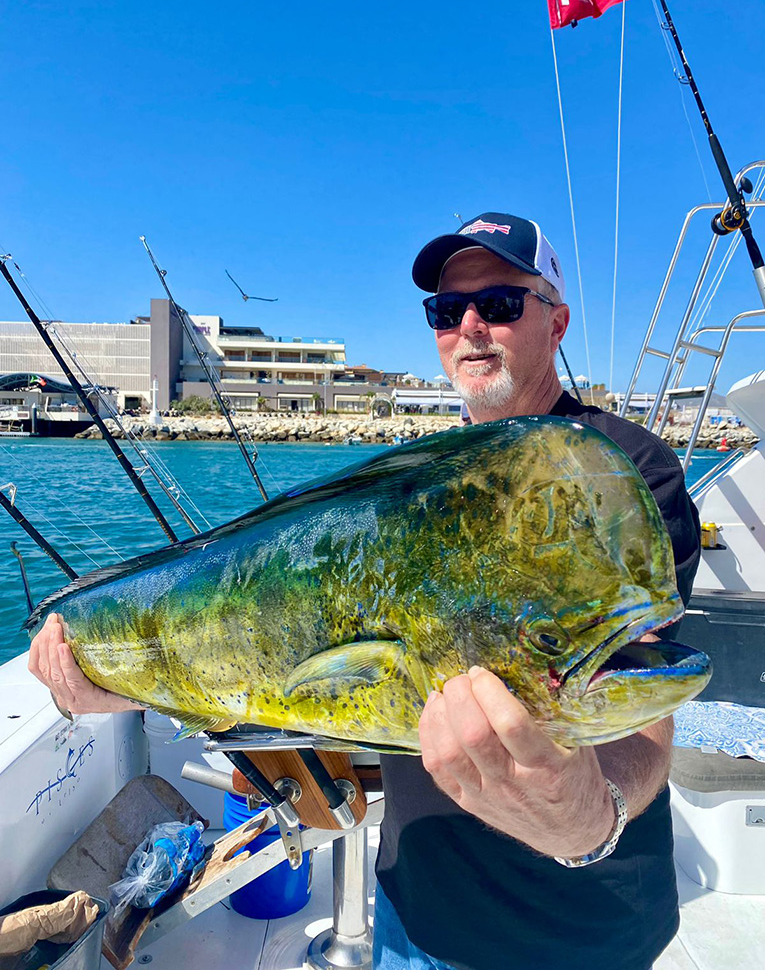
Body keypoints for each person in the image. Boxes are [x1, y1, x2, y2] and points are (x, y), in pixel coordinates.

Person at [29, 212, 700, 970]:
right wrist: (121, 684)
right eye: (447, 312)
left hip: (581, 928)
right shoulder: (409, 484)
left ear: (557, 320)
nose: (471, 327)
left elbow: (644, 700)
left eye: (501, 304)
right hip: (416, 914)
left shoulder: (620, 469)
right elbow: (292, 666)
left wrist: (585, 818)